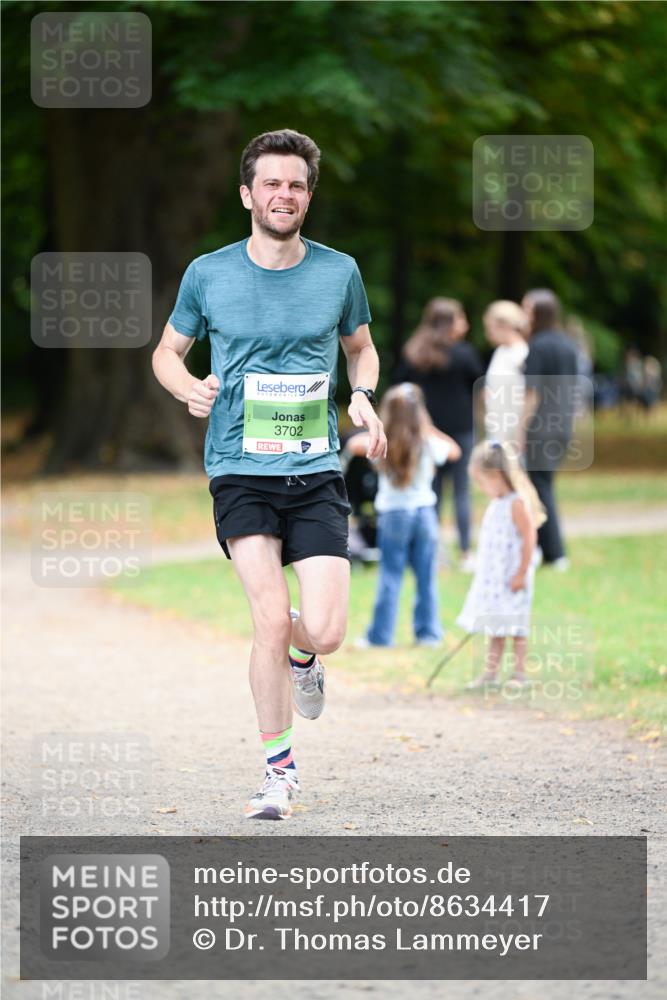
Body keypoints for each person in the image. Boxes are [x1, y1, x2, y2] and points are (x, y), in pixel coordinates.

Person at [152, 129, 386, 820]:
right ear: (247, 193)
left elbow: (362, 349)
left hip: (314, 469)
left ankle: (306, 656)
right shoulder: (209, 272)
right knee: (264, 620)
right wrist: (184, 385)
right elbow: (167, 351)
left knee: (324, 628)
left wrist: (362, 396)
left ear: (308, 196)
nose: (283, 194)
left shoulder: (338, 271)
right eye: (272, 183)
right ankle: (277, 772)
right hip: (238, 468)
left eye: (296, 185)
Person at [345, 384, 461, 647]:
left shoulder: (383, 444)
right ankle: (429, 634)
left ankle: (380, 636)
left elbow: (353, 445)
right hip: (424, 514)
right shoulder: (428, 442)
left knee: (390, 575)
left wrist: (380, 429)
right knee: (426, 576)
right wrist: (427, 428)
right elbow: (454, 450)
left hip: (394, 515)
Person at [393, 298, 483, 571]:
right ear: (450, 322)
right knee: (461, 492)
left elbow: (400, 387)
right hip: (461, 431)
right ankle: (466, 552)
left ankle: (431, 551)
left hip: (426, 431)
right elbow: (478, 385)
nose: (465, 324)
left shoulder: (413, 353)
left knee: (430, 491)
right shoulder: (464, 354)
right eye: (461, 318)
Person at [457, 440, 546, 690]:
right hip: (496, 580)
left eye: (481, 482)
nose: (481, 488)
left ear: (496, 475)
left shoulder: (516, 503)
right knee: (496, 626)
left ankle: (519, 673)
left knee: (516, 625)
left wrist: (521, 573)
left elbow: (530, 537)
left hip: (513, 578)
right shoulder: (497, 503)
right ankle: (490, 673)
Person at [520, 288, 579, 570]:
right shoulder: (569, 345)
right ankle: (544, 549)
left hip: (541, 426)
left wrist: (521, 429)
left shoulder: (539, 346)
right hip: (563, 424)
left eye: (526, 309)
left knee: (540, 488)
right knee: (542, 485)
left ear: (537, 314)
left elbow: (532, 393)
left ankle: (555, 553)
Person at [482, 300, 529, 456]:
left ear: (504, 326)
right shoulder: (500, 352)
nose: (488, 333)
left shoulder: (522, 353)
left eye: (490, 328)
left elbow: (525, 393)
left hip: (513, 427)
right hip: (496, 424)